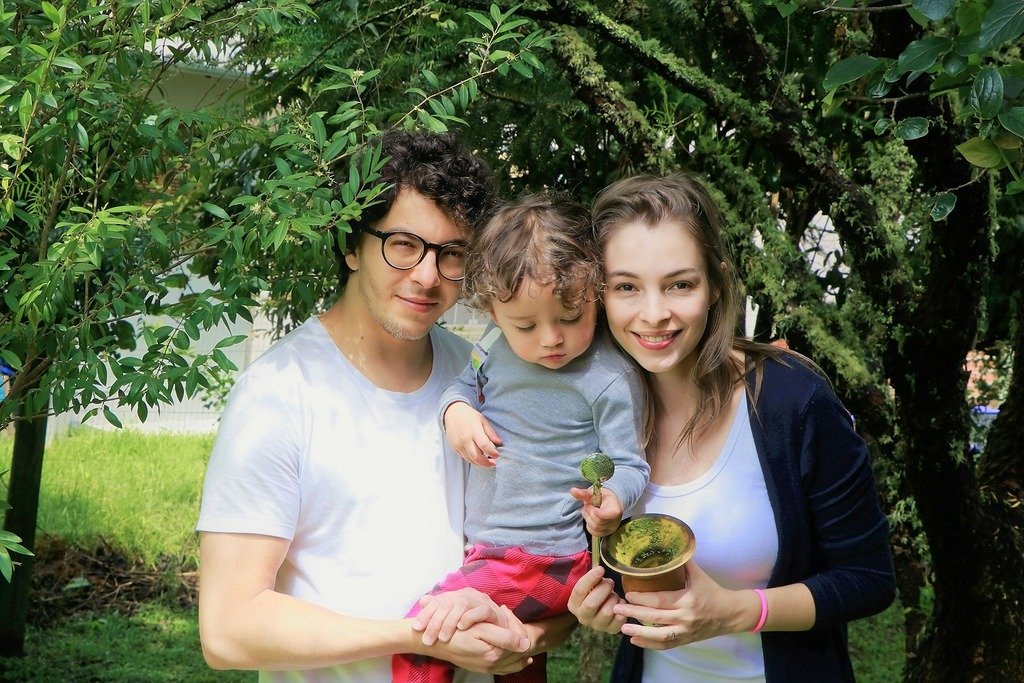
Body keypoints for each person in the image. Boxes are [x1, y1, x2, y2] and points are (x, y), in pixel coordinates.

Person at [196, 130, 569, 682]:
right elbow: (229, 630)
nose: (425, 275)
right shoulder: (277, 394)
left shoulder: (486, 377)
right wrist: (421, 637)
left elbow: (546, 560)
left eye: (451, 254)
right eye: (403, 244)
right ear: (351, 244)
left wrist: (526, 636)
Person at [568, 174, 896, 682]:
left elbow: (869, 579)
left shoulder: (791, 401)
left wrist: (738, 611)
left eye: (680, 284)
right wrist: (606, 605)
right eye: (626, 287)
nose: (655, 314)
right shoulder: (593, 412)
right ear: (599, 295)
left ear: (717, 283)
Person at [393, 194, 650, 683]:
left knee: (428, 631)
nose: (550, 338)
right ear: (492, 310)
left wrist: (613, 499)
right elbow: (463, 385)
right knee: (515, 660)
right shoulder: (498, 351)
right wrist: (457, 411)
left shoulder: (608, 377)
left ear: (594, 293)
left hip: (543, 555)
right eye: (526, 325)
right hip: (496, 552)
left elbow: (632, 464)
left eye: (571, 318)